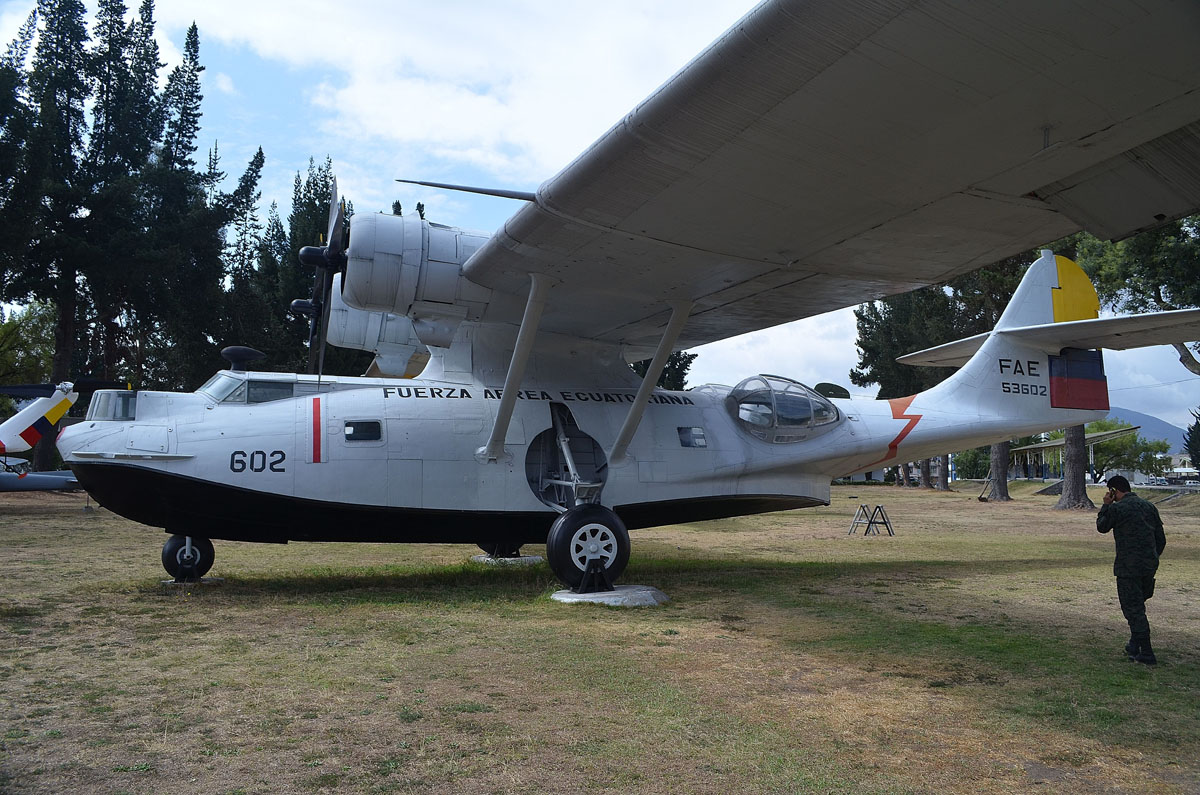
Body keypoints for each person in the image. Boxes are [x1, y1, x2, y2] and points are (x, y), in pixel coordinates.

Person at [1096, 475, 1166, 665]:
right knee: (1138, 605)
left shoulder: (1117, 508)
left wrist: (1106, 505)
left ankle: (1147, 653)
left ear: (1113, 491)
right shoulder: (1149, 507)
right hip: (1148, 566)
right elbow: (1161, 539)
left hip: (1128, 567)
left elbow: (1102, 526)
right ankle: (1135, 644)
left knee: (1134, 610)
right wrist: (1152, 557)